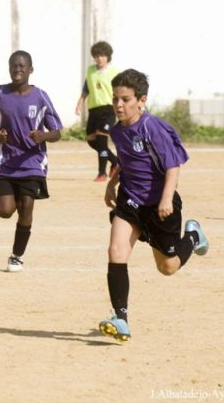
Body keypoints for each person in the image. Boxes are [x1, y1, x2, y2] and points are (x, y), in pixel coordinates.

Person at [99, 69, 209, 341]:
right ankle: (121, 318)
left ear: (141, 100)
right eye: (115, 99)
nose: (119, 105)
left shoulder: (152, 128)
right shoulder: (117, 130)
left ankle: (192, 235)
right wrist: (112, 183)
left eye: (125, 99)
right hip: (130, 201)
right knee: (116, 250)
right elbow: (125, 160)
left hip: (160, 204)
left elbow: (173, 165)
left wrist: (166, 198)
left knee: (167, 267)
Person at [0, 50, 63, 272]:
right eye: (14, 65)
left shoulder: (40, 97)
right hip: (6, 162)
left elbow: (57, 131)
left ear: (31, 70)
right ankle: (17, 206)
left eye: (22, 66)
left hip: (32, 161)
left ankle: (16, 256)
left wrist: (43, 136)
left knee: (27, 206)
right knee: (5, 211)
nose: (17, 69)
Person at [74, 41, 119, 182]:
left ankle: (102, 173)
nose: (100, 58)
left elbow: (121, 90)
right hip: (94, 109)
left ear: (108, 57)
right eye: (97, 55)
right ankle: (116, 161)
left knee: (101, 139)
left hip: (108, 109)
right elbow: (87, 88)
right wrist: (80, 102)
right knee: (91, 140)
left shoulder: (114, 72)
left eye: (103, 55)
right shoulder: (90, 70)